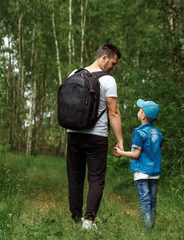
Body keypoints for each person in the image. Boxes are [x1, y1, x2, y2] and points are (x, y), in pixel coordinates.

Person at [66, 43, 124, 230]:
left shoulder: (74, 74)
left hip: (73, 134)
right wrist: (120, 140)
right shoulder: (108, 80)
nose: (114, 68)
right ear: (104, 58)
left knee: (75, 178)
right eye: (113, 63)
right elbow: (113, 112)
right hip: (96, 137)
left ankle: (75, 220)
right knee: (96, 179)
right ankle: (88, 222)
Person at [114, 99, 163, 230]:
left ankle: (147, 229)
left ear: (143, 116)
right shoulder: (158, 133)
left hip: (141, 171)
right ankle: (151, 227)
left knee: (145, 200)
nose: (138, 111)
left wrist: (121, 152)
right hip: (154, 171)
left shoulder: (138, 132)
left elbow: (136, 154)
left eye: (140, 110)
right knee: (152, 200)